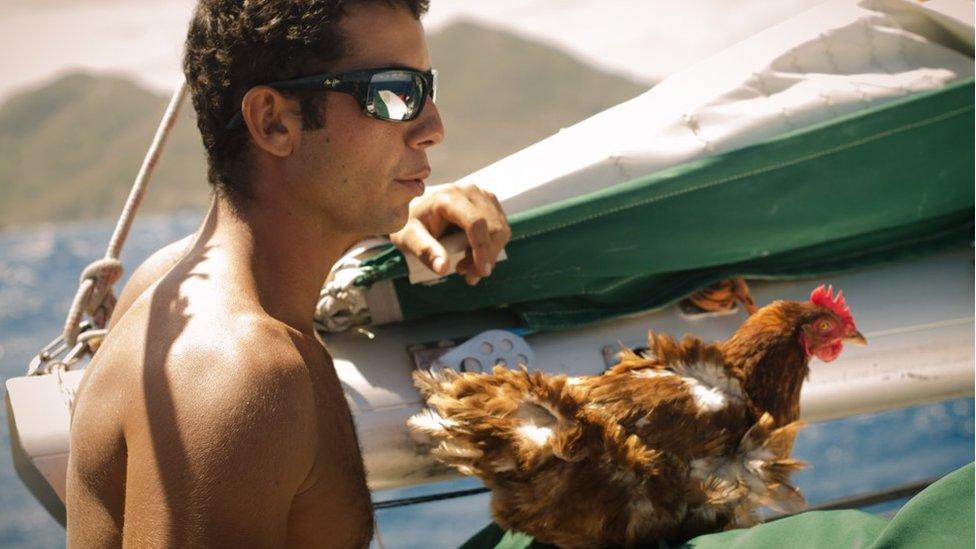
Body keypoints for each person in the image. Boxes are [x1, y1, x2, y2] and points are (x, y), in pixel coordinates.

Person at [65, 1, 510, 546]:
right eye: (394, 92)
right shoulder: (244, 375)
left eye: (426, 86)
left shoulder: (164, 284)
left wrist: (387, 214)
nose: (432, 127)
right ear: (274, 122)